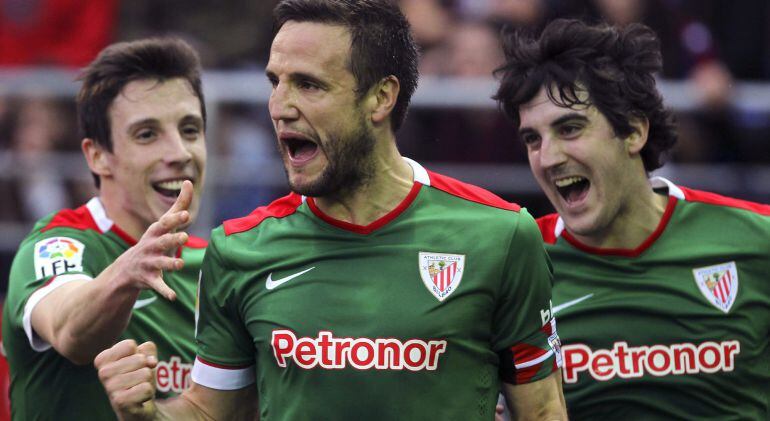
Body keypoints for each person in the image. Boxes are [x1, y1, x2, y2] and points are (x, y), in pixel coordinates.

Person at [93, 1, 567, 419]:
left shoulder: (500, 236)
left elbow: (542, 411)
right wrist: (147, 415)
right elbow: (209, 411)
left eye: (308, 85)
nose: (279, 106)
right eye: (275, 82)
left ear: (381, 97)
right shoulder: (239, 249)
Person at [494, 18, 770, 419]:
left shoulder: (755, 239)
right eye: (532, 139)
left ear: (634, 131)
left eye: (569, 128)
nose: (548, 157)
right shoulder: (515, 265)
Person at [1, 37, 208, 420]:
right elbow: (70, 330)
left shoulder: (215, 266)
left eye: (191, 130)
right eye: (147, 134)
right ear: (98, 156)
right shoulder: (55, 246)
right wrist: (128, 272)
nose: (180, 152)